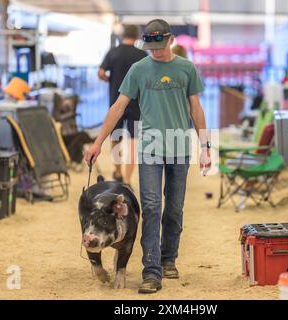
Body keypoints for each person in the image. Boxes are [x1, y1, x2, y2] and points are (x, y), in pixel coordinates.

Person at [86, 19, 211, 294]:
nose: (154, 51)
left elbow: (196, 109)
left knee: (174, 209)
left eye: (159, 45)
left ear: (171, 40)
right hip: (150, 147)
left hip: (179, 147)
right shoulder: (138, 69)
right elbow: (118, 107)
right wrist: (97, 143)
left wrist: (205, 147)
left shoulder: (186, 69)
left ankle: (169, 259)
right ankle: (151, 271)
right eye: (150, 46)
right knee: (152, 207)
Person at [98, 24, 147, 186]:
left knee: (116, 137)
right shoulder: (142, 54)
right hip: (137, 104)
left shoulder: (113, 52)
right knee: (133, 141)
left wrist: (110, 80)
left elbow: (100, 72)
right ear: (137, 36)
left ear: (123, 35)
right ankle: (127, 179)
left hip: (116, 101)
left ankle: (117, 170)